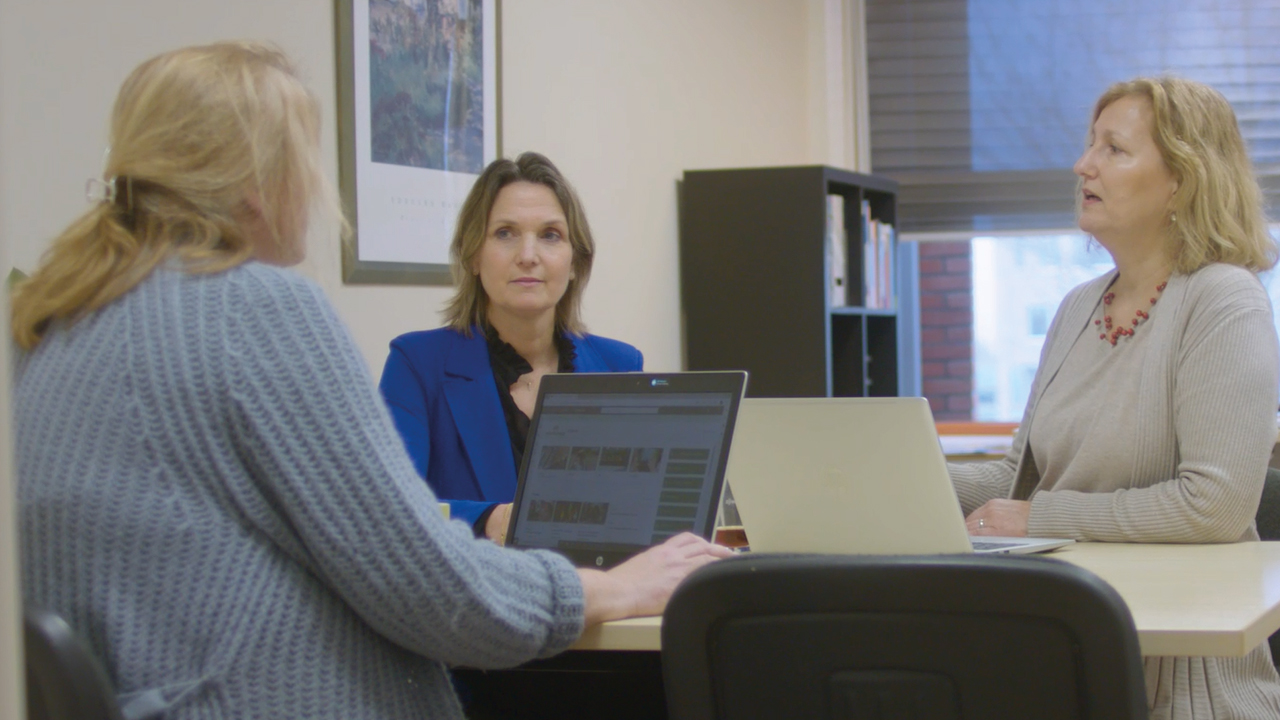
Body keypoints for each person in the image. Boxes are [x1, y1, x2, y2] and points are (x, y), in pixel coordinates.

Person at [10, 41, 729, 720]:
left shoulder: (53, 318)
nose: (317, 186)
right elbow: (428, 586)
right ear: (256, 185)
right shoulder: (255, 311)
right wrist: (608, 588)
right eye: (307, 158)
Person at [951, 76, 1280, 719]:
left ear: (1182, 179)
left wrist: (1039, 519)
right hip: (1069, 645)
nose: (1083, 165)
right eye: (1089, 144)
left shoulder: (1223, 299)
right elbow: (1018, 477)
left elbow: (1212, 506)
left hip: (1183, 682)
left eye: (1114, 149)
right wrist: (890, 480)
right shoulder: (1078, 306)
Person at [379, 152, 642, 541]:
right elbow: (387, 507)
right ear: (473, 255)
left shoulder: (620, 365)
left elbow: (636, 508)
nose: (528, 256)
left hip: (597, 578)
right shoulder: (417, 364)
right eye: (505, 233)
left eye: (550, 235)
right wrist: (495, 520)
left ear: (575, 261)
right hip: (476, 577)